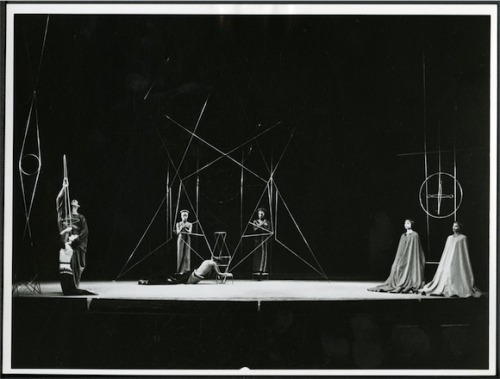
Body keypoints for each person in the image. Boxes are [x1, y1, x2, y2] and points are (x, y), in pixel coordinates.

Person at [420, 222, 481, 297]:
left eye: (456, 226)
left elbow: (464, 252)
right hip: (448, 260)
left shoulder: (463, 238)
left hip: (458, 261)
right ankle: (445, 288)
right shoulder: (449, 238)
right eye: (453, 226)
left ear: (460, 227)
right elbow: (446, 251)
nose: (454, 227)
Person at [57, 179, 94, 295]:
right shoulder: (66, 216)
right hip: (68, 245)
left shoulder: (81, 218)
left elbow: (85, 231)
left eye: (75, 202)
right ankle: (70, 285)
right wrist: (64, 188)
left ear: (77, 206)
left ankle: (74, 284)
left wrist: (76, 237)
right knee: (68, 266)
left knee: (79, 265)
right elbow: (58, 202)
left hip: (77, 244)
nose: (72, 203)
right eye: (71, 202)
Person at [368, 219, 425, 293]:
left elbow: (415, 250)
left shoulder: (415, 235)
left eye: (408, 223)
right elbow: (400, 250)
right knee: (395, 267)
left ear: (411, 224)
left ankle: (404, 284)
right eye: (405, 223)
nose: (406, 225)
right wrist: (399, 259)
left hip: (410, 259)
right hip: (402, 257)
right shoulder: (403, 235)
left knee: (402, 268)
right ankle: (397, 284)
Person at [138, 259, 233, 285]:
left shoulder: (208, 260)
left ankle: (148, 280)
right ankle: (148, 282)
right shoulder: (213, 264)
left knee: (174, 277)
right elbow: (219, 274)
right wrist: (228, 274)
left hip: (192, 274)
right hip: (193, 277)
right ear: (217, 262)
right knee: (172, 281)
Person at [251, 207, 272, 280]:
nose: (260, 215)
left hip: (264, 239)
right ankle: (256, 270)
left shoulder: (267, 222)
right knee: (257, 254)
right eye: (259, 214)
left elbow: (268, 229)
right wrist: (261, 225)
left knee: (264, 254)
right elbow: (255, 229)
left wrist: (263, 225)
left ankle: (262, 270)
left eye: (262, 214)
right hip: (257, 239)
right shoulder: (255, 221)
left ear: (264, 214)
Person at [175, 209, 192, 274]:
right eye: (183, 215)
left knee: (187, 255)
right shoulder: (178, 223)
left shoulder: (190, 224)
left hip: (187, 238)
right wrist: (182, 228)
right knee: (180, 254)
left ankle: (187, 270)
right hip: (181, 238)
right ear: (181, 216)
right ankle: (179, 271)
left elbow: (190, 232)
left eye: (186, 215)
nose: (185, 217)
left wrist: (186, 230)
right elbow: (177, 232)